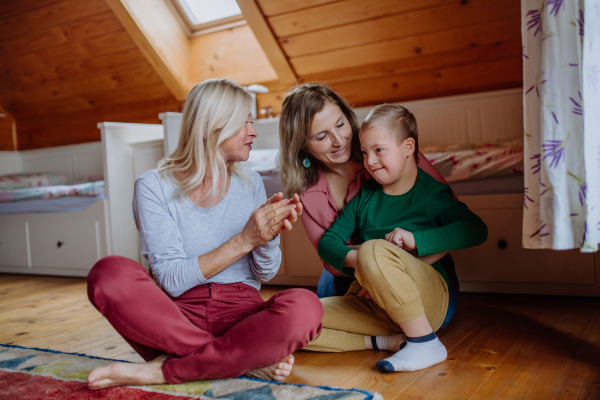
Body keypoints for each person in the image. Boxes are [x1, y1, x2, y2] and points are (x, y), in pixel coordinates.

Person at [85, 79, 323, 390]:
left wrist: (267, 237)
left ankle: (166, 369)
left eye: (251, 122)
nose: (253, 132)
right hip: (177, 317)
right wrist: (246, 239)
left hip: (242, 312)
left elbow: (264, 272)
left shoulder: (251, 181)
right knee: (108, 273)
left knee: (307, 306)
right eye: (244, 123)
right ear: (210, 127)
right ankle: (242, 360)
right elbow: (170, 279)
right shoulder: (153, 186)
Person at [310, 104, 487, 372]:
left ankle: (425, 342)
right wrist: (373, 274)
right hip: (373, 305)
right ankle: (388, 341)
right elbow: (327, 243)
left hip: (427, 301)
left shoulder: (431, 194)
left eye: (379, 150)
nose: (369, 161)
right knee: (292, 320)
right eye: (366, 152)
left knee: (372, 249)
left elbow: (475, 229)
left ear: (408, 148)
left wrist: (417, 239)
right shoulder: (366, 196)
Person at [278, 82, 456, 302]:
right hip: (347, 270)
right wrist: (373, 267)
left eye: (340, 124)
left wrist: (392, 269)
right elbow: (329, 258)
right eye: (322, 136)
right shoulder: (303, 192)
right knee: (328, 323)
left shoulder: (392, 151)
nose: (338, 140)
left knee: (414, 320)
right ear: (303, 145)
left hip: (421, 260)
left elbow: (455, 221)